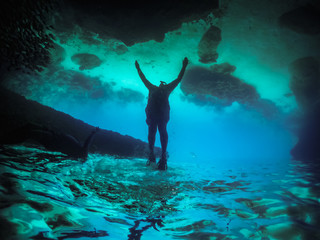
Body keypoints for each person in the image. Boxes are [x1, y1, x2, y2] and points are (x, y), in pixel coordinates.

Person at [135, 57, 189, 170]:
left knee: (155, 133)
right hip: (158, 115)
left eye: (163, 83)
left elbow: (143, 78)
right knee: (158, 132)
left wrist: (138, 68)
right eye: (162, 83)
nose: (162, 84)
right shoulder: (164, 88)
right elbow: (178, 79)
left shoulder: (155, 88)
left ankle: (156, 156)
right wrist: (184, 66)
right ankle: (157, 156)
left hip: (156, 115)